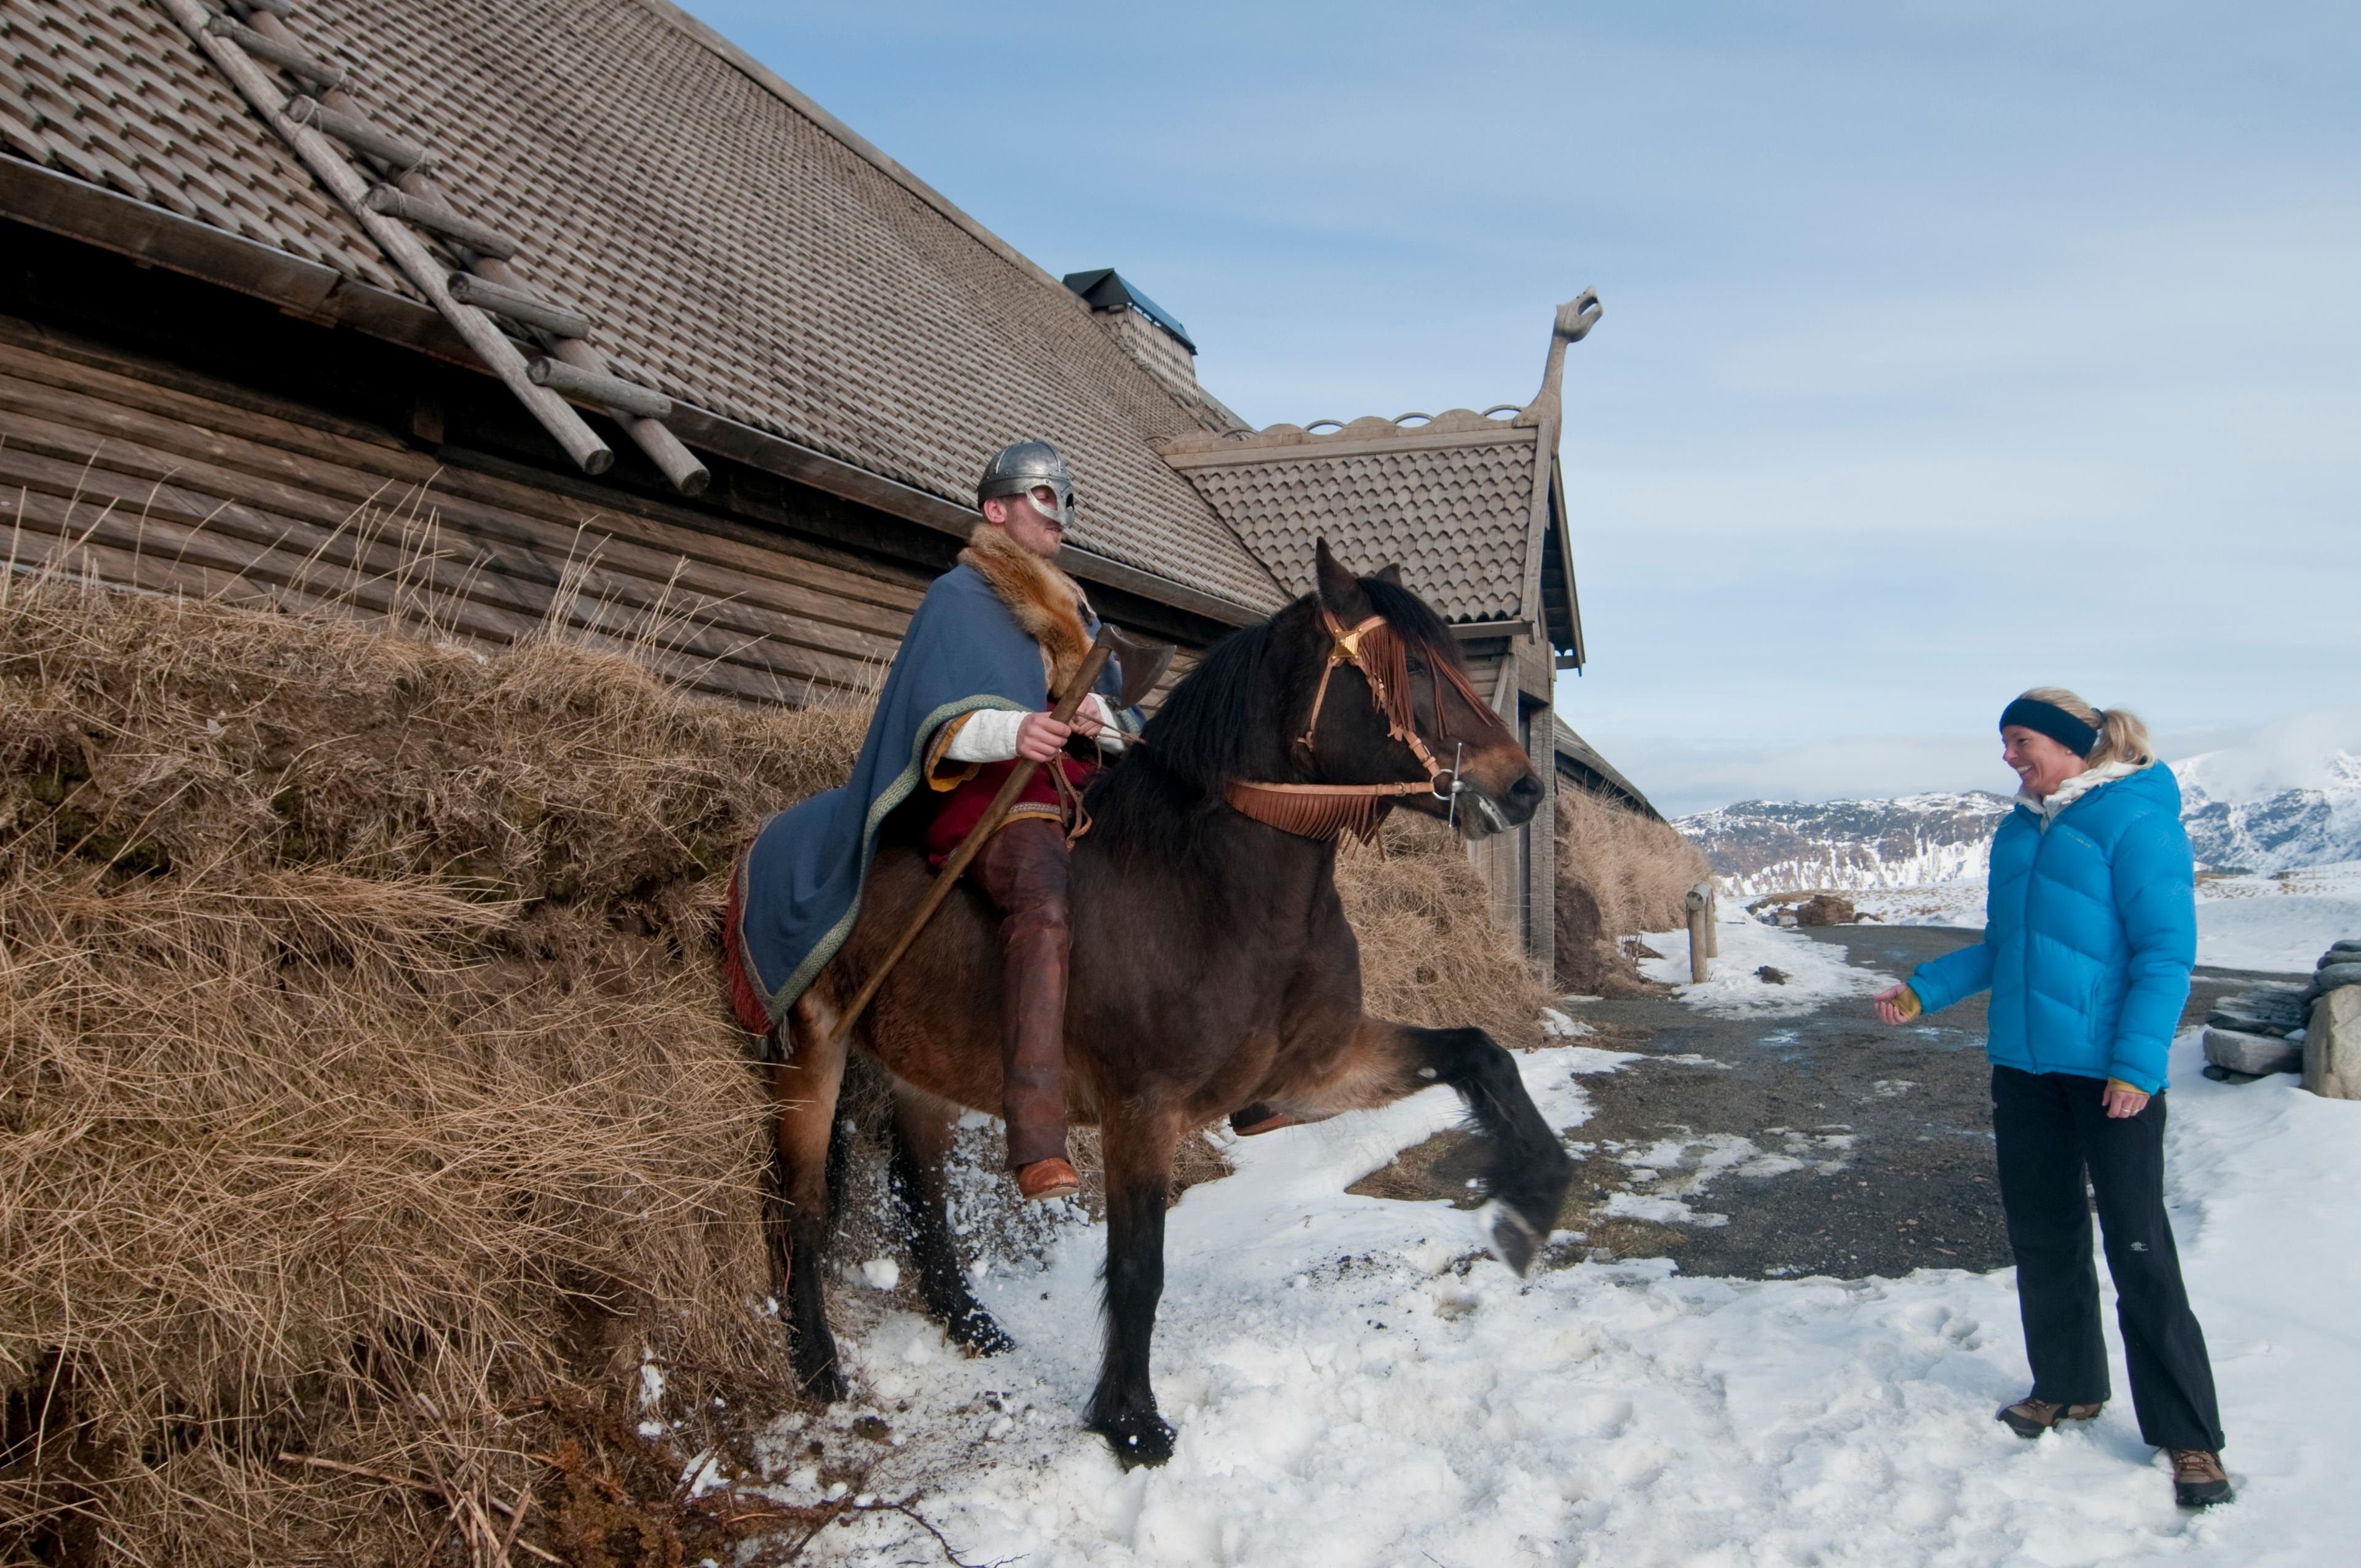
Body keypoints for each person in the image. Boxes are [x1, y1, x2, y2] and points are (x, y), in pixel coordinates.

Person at [727, 440, 1137, 1203]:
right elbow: (935, 721)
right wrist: (1015, 731)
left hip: (1072, 783)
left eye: (1065, 500)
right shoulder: (962, 596)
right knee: (1042, 904)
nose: (1061, 515)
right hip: (988, 791)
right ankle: (1038, 1134)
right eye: (1045, 498)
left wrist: (1093, 718)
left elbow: (1111, 712)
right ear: (997, 510)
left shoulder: (1070, 607)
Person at [1873, 687, 2231, 1510]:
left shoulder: (2134, 819)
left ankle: (2190, 1437)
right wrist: (1927, 990)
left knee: (2139, 1248)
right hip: (2026, 1068)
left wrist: (2138, 1064)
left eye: (2020, 741)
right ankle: (2067, 1384)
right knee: (2044, 1235)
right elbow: (2007, 947)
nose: (2008, 758)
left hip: (2111, 1073)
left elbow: (2166, 951)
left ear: (2072, 744)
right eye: (2004, 743)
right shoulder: (2019, 830)